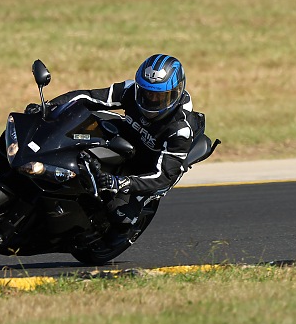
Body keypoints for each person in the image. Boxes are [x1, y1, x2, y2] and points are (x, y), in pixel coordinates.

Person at [39, 53, 198, 246]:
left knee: (119, 217)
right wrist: (51, 107)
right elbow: (88, 96)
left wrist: (119, 183)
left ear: (176, 92)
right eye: (147, 93)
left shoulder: (180, 130)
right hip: (127, 136)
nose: (152, 100)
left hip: (149, 166)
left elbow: (164, 176)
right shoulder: (130, 90)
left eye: (160, 96)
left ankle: (120, 231)